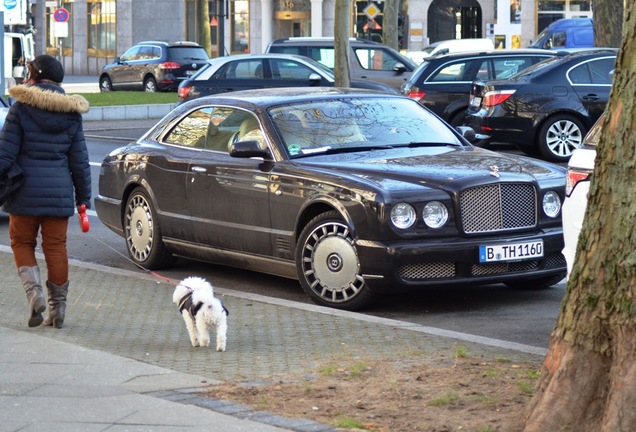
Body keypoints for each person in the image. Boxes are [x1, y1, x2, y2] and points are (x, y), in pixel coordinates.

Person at [0, 54, 91, 328]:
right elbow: (80, 161)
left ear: (36, 76)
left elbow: (5, 156)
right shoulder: (71, 114)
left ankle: (34, 294)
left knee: (21, 243)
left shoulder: (21, 109)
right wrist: (83, 199)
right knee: (56, 247)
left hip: (24, 193)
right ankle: (58, 309)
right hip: (59, 193)